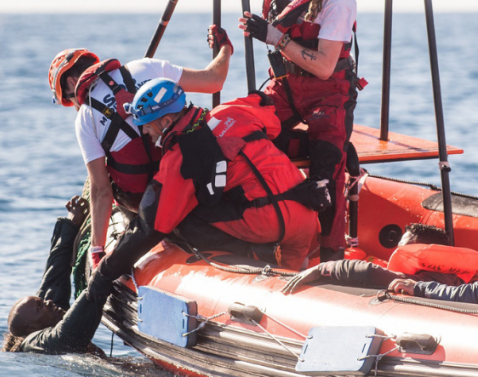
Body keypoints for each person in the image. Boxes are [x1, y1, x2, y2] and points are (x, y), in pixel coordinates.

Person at [85, 79, 321, 303]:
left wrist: (106, 271)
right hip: (307, 219)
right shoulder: (231, 111)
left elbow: (151, 225)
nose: (146, 133)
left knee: (181, 216)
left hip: (267, 226)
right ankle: (297, 265)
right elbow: (270, 117)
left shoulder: (180, 157)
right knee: (294, 278)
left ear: (165, 122)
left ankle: (256, 254)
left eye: (146, 126)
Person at [48, 25, 235, 267]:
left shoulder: (85, 117)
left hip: (145, 202)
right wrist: (225, 49)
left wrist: (97, 250)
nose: (74, 105)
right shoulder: (146, 67)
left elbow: (101, 190)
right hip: (189, 184)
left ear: (73, 82)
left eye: (69, 99)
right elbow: (214, 81)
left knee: (107, 177)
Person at [238, 0, 363, 262]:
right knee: (244, 133)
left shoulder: (338, 3)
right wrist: (224, 48)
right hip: (285, 85)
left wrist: (275, 38)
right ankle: (246, 231)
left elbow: (324, 67)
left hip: (329, 90)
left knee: (327, 167)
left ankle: (332, 257)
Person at [2, 196, 106, 355]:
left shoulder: (46, 317)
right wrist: (103, 275)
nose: (48, 302)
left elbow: (54, 275)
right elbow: (68, 337)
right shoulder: (35, 344)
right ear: (32, 328)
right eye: (40, 306)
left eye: (41, 301)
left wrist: (71, 224)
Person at [281, 224, 465, 294]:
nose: (397, 252)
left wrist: (321, 269)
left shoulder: (418, 281)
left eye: (403, 248)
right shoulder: (458, 280)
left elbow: (367, 271)